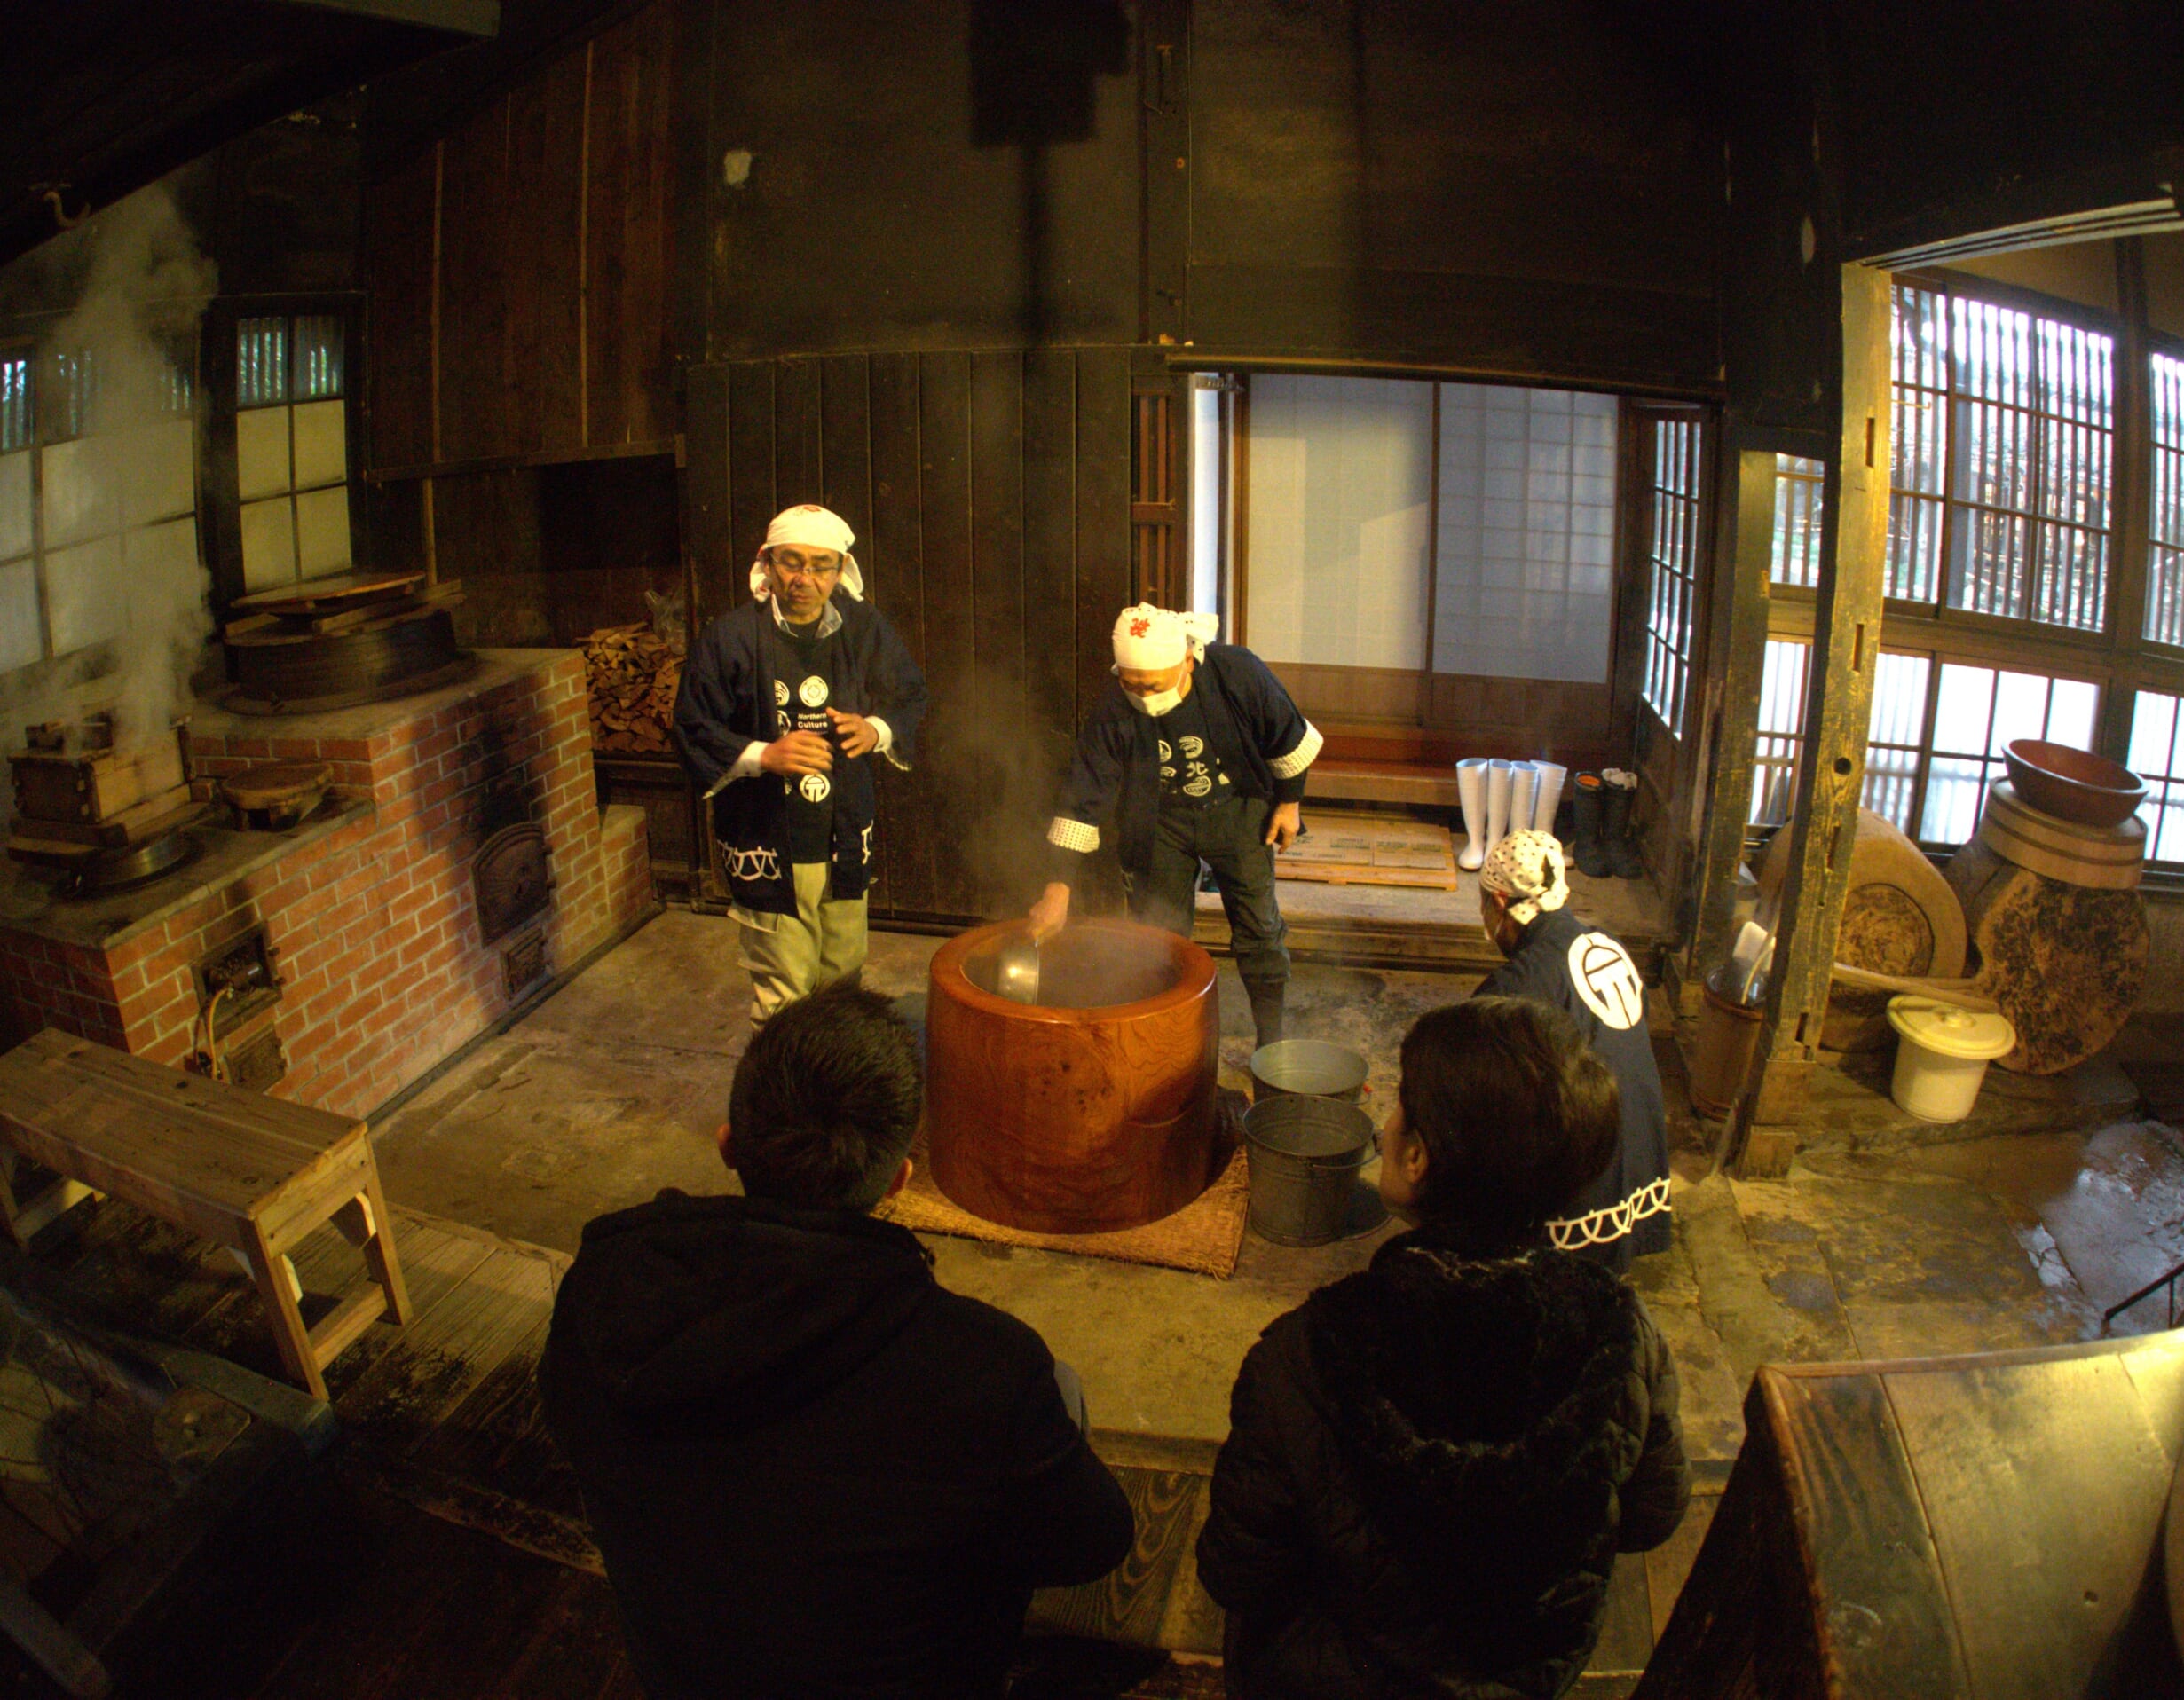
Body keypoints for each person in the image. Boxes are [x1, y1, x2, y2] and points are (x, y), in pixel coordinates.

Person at [540, 983, 1134, 1700]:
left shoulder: (606, 1289)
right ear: (898, 1182)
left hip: (683, 1674)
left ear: (729, 1146)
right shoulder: (983, 1367)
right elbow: (1095, 1542)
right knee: (1060, 1392)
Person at [1195, 997, 1691, 1700]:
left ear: (1420, 1157)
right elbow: (1652, 1514)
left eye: (1402, 1106)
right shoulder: (1621, 1332)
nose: (1389, 1121)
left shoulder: (1309, 1354)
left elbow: (1234, 1571)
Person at [674, 503, 928, 1028]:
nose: (804, 579)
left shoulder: (861, 627)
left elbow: (911, 694)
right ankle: (784, 1104)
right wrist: (765, 755)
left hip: (843, 833)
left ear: (840, 571)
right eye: (792, 562)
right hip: (767, 837)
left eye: (821, 565)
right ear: (767, 563)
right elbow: (692, 726)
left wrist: (875, 730)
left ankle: (831, 1093)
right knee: (785, 992)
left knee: (842, 977)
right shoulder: (730, 637)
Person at [1027, 603, 1321, 1049]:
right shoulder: (1113, 706)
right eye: (1132, 685)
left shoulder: (1236, 673)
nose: (1144, 696)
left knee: (1259, 927)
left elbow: (1286, 733)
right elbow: (1085, 790)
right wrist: (1059, 884)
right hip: (1159, 820)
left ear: (1186, 660)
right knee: (1155, 936)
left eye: (1154, 684)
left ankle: (1271, 1038)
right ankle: (1165, 1033)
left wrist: (1289, 803)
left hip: (1239, 810)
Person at [1474, 830, 1673, 1269]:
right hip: (1640, 1179)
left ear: (1502, 903)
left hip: (1584, 1195)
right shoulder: (1609, 944)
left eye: (1485, 903)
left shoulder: (1518, 984)